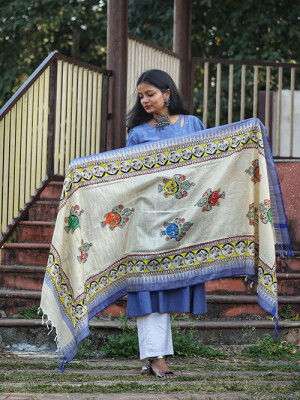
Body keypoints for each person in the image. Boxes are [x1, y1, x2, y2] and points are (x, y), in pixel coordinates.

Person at [126, 69, 207, 378]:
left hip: (183, 221)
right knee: (150, 287)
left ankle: (152, 357)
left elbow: (207, 166)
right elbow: (130, 178)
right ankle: (156, 358)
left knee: (167, 288)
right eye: (141, 96)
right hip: (147, 219)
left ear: (167, 93)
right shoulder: (139, 133)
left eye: (150, 94)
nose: (145, 100)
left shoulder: (192, 125)